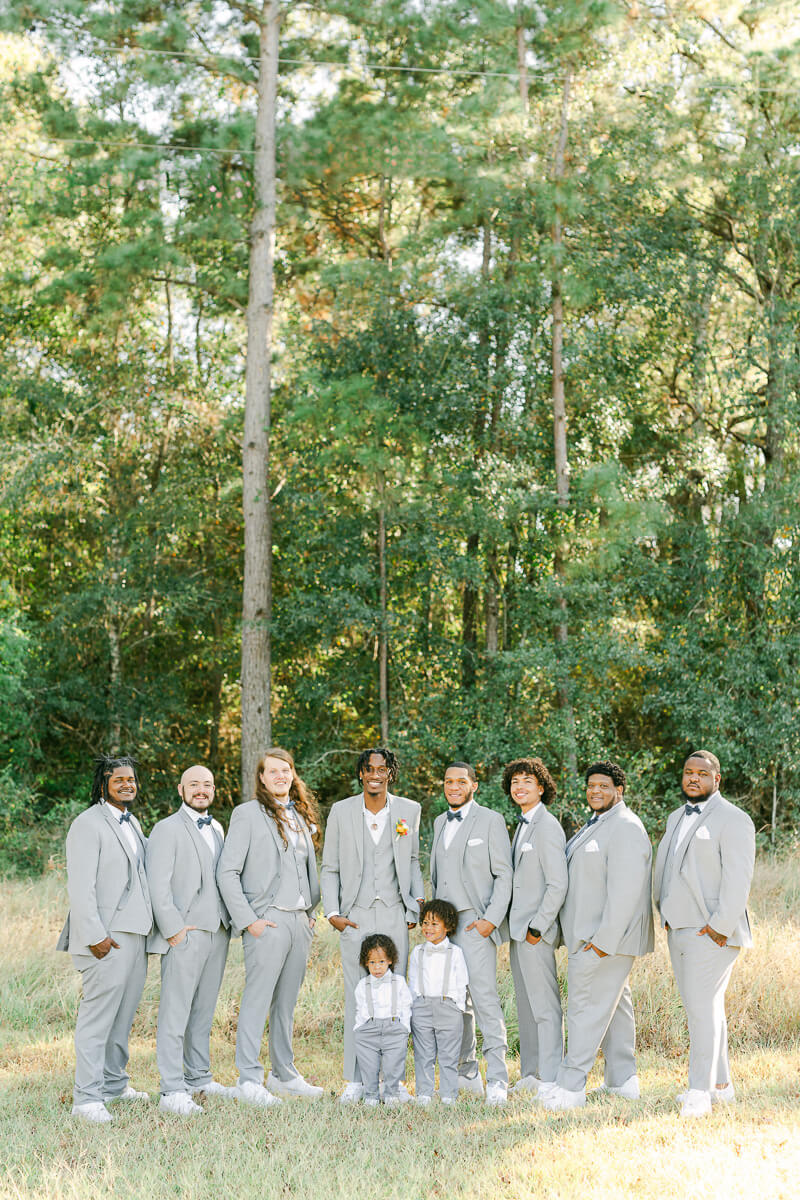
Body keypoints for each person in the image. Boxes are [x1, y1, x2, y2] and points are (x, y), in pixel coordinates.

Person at [541, 760, 653, 1111]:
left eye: (604, 786)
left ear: (619, 791)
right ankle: (623, 1080)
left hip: (604, 942)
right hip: (588, 937)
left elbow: (626, 893)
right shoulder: (598, 824)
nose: (596, 791)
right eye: (591, 785)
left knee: (585, 1008)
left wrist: (602, 942)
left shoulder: (625, 827)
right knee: (615, 1006)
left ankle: (571, 1087)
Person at [216, 747, 323, 1106]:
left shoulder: (300, 815)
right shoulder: (247, 814)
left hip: (298, 922)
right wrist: (250, 921)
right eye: (272, 771)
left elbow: (306, 871)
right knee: (257, 1000)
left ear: (293, 774)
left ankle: (284, 1075)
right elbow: (227, 872)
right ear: (261, 777)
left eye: (285, 770)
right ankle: (249, 1078)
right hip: (267, 921)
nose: (280, 776)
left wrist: (309, 912)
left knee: (286, 1003)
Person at [653, 750, 755, 1119]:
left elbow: (738, 879)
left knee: (700, 1010)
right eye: (688, 772)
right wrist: (664, 909)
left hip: (713, 933)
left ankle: (699, 1092)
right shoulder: (675, 817)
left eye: (702, 773)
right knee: (707, 1008)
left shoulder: (734, 819)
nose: (693, 778)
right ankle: (723, 1086)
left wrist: (719, 927)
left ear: (717, 779)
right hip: (678, 928)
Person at [320, 748, 424, 1103]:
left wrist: (416, 905)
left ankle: (394, 1083)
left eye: (382, 769)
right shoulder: (341, 811)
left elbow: (413, 861)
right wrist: (332, 912)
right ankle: (355, 1080)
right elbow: (330, 867)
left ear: (390, 774)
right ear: (361, 774)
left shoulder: (409, 811)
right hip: (355, 916)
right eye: (369, 769)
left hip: (396, 913)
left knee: (397, 995)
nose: (375, 774)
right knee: (357, 995)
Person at [56, 754, 153, 1123]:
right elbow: (81, 887)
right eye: (119, 780)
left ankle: (114, 1085)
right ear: (103, 785)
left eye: (131, 779)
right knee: (97, 1019)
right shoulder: (87, 824)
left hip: (136, 936)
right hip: (106, 940)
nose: (127, 784)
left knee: (123, 1018)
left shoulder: (133, 823)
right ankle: (86, 1099)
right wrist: (96, 935)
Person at [146, 764, 232, 1116]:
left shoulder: (217, 827)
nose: (201, 790)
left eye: (207, 785)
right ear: (180, 790)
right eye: (194, 784)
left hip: (217, 933)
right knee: (175, 1012)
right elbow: (158, 885)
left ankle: (199, 1077)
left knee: (203, 1011)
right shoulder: (166, 829)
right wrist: (174, 930)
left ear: (214, 790)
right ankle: (171, 1089)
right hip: (185, 935)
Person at [429, 761, 513, 1106]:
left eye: (461, 781)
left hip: (475, 926)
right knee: (452, 1002)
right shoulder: (437, 822)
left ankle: (497, 1079)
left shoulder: (491, 821)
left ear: (474, 785)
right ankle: (466, 1072)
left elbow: (504, 875)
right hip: (443, 930)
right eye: (448, 781)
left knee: (484, 999)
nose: (453, 786)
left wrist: (489, 921)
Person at [505, 757, 568, 1099]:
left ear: (541, 788)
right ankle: (531, 1072)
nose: (520, 787)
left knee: (545, 1006)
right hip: (518, 933)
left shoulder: (546, 826)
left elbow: (558, 884)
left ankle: (551, 1077)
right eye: (515, 782)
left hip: (534, 933)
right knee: (527, 1005)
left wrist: (538, 927)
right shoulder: (522, 825)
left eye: (527, 781)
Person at [408, 899, 468, 1106]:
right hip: (422, 1006)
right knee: (423, 1053)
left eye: (434, 924)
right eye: (425, 923)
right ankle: (424, 1093)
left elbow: (462, 982)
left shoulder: (455, 952)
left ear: (448, 926)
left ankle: (448, 1094)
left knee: (448, 1055)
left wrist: (457, 1007)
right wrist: (414, 1004)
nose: (428, 928)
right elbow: (413, 979)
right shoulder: (417, 952)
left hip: (448, 1006)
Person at [353, 934, 413, 1107]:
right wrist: (360, 1027)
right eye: (372, 962)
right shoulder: (362, 985)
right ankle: (371, 1095)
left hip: (394, 1028)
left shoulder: (399, 982)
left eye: (381, 962)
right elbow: (360, 1007)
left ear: (390, 961)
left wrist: (404, 1028)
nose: (377, 967)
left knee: (393, 1064)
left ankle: (391, 1094)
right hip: (368, 1029)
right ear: (366, 963)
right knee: (369, 1065)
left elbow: (406, 1005)